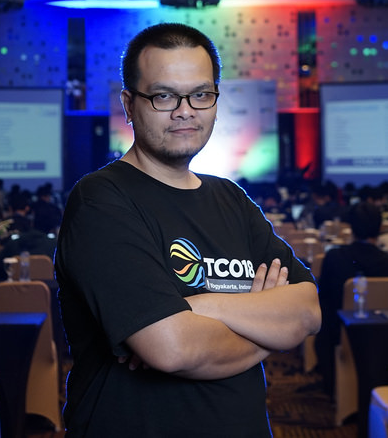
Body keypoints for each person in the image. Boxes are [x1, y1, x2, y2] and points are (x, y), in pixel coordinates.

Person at [55, 23, 321, 437]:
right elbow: (172, 348)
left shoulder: (231, 198)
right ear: (129, 104)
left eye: (200, 94)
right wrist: (269, 329)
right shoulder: (101, 200)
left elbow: (307, 310)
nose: (185, 110)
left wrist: (197, 306)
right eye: (164, 96)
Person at [315, 201, 388, 399]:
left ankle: (331, 385)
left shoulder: (334, 257)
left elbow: (322, 295)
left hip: (339, 333)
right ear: (380, 227)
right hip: (386, 339)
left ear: (351, 227)